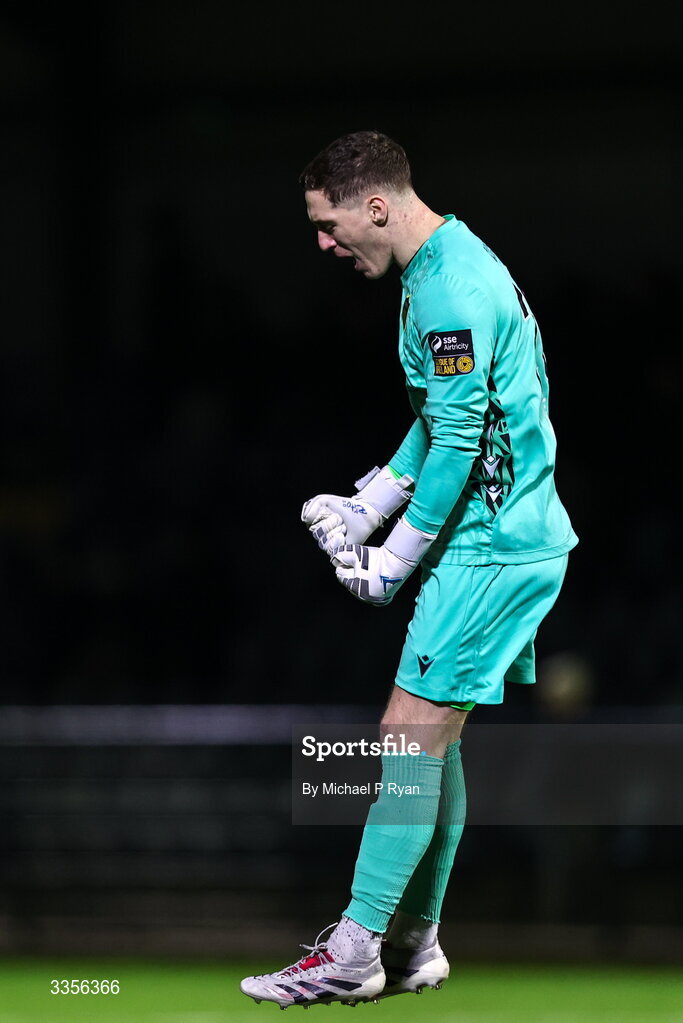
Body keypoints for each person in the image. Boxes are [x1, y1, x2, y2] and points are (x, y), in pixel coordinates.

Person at [240, 130, 578, 1009]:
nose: (322, 242)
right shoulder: (440, 266)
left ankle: (356, 951)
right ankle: (415, 941)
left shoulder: (448, 291)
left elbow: (463, 438)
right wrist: (369, 502)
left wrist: (392, 557)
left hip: (491, 548)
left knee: (403, 735)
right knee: (434, 740)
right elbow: (439, 416)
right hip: (505, 540)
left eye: (327, 223)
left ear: (375, 207)